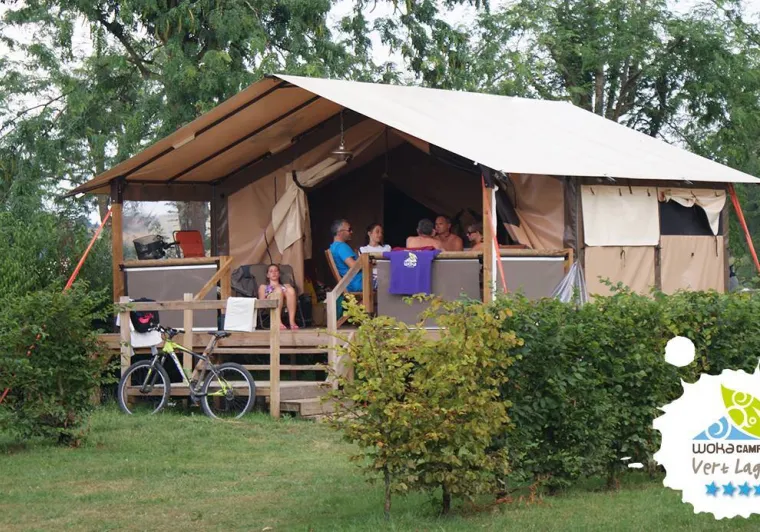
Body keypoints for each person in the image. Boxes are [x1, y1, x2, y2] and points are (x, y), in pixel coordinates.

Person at [257, 264, 300, 330]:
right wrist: (272, 294)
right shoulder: (263, 287)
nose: (274, 273)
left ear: (279, 274)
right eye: (271, 271)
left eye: (276, 271)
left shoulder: (286, 285)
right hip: (271, 305)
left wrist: (284, 290)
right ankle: (278, 321)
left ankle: (292, 321)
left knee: (290, 290)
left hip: (285, 304)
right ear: (267, 275)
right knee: (278, 290)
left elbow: (291, 294)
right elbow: (261, 301)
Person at [328, 219, 363, 292]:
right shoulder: (341, 246)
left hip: (350, 284)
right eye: (349, 230)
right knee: (385, 281)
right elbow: (355, 267)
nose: (351, 232)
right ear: (339, 232)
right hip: (358, 283)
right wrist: (368, 262)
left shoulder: (333, 247)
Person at [360, 223, 391, 288]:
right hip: (371, 278)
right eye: (377, 232)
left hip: (386, 277)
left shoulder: (386, 248)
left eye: (381, 233)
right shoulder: (363, 249)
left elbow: (387, 264)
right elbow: (366, 264)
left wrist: (374, 262)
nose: (380, 235)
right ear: (369, 233)